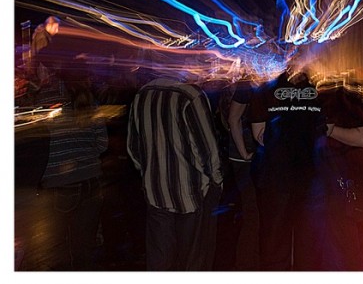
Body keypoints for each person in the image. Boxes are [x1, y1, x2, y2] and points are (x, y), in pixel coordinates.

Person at [127, 75, 223, 270]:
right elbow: (207, 150)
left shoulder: (142, 94)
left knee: (160, 263)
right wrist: (216, 181)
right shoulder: (191, 95)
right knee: (193, 262)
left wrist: (149, 175)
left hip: (156, 194)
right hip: (192, 194)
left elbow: (133, 148)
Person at [249, 56, 327, 270]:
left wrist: (282, 140)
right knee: (309, 244)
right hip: (310, 172)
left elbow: (258, 134)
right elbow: (325, 128)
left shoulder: (265, 84)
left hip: (277, 173)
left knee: (275, 243)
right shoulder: (322, 82)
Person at [39, 77, 108, 270]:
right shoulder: (89, 98)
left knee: (57, 248)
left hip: (60, 181)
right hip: (91, 179)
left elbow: (37, 143)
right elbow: (103, 144)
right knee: (84, 249)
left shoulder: (45, 96)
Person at [319, 82, 363, 270]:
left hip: (342, 183)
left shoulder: (346, 95)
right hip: (321, 185)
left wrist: (330, 130)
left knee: (346, 245)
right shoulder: (310, 93)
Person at [225, 78, 260, 270]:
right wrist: (244, 152)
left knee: (255, 215)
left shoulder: (255, 81)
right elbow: (233, 118)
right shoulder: (248, 83)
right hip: (246, 160)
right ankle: (246, 267)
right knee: (253, 216)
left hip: (250, 158)